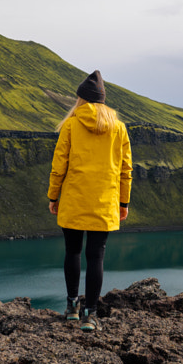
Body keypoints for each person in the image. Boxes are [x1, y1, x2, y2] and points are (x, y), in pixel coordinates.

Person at [47, 70, 132, 332]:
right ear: (103, 101)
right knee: (96, 257)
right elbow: (125, 169)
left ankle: (72, 307)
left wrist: (53, 196)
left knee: (72, 252)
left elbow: (59, 165)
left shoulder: (71, 125)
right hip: (105, 202)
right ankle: (91, 315)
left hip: (73, 199)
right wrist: (123, 203)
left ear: (81, 100)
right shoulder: (118, 128)